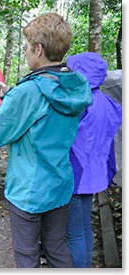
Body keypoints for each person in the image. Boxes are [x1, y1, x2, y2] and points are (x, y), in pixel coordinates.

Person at [0, 13, 92, 268]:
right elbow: (49, 113)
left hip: (29, 191)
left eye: (27, 47)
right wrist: (11, 94)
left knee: (27, 256)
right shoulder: (77, 85)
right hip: (60, 185)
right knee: (57, 248)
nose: (25, 52)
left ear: (38, 49)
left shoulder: (30, 91)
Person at [65, 52, 122, 268]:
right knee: (85, 227)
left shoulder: (79, 103)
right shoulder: (108, 102)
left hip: (76, 174)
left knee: (74, 233)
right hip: (96, 173)